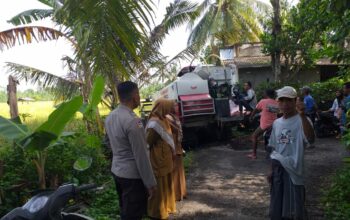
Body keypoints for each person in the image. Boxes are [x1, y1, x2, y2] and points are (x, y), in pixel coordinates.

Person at [105, 81, 157, 220]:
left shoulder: (110, 117)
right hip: (132, 177)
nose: (139, 97)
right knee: (133, 214)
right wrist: (150, 183)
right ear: (134, 96)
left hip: (117, 171)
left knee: (125, 210)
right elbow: (141, 156)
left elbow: (109, 143)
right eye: (138, 94)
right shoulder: (133, 121)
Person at [268, 86, 315, 220]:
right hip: (278, 168)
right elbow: (274, 148)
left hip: (294, 169)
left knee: (294, 208)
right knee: (277, 203)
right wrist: (270, 170)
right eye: (281, 100)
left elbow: (311, 140)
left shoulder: (303, 121)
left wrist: (302, 115)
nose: (284, 104)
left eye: (288, 100)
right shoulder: (277, 123)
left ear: (295, 101)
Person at [146, 99, 176, 220]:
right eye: (169, 107)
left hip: (165, 159)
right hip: (158, 160)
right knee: (159, 187)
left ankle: (168, 207)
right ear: (163, 107)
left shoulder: (164, 119)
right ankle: (156, 212)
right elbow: (147, 142)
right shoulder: (154, 123)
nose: (171, 109)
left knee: (167, 185)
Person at [248, 89, 279, 159]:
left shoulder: (263, 101)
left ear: (266, 94)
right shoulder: (276, 102)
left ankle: (254, 154)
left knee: (254, 136)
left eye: (264, 93)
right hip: (274, 125)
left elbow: (255, 110)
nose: (263, 94)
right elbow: (275, 112)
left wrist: (251, 117)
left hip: (264, 125)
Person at [166, 104, 187, 201]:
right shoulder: (168, 118)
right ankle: (176, 195)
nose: (177, 107)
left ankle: (182, 192)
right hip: (173, 148)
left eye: (176, 105)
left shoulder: (175, 117)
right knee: (174, 172)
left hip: (178, 146)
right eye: (174, 106)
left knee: (180, 171)